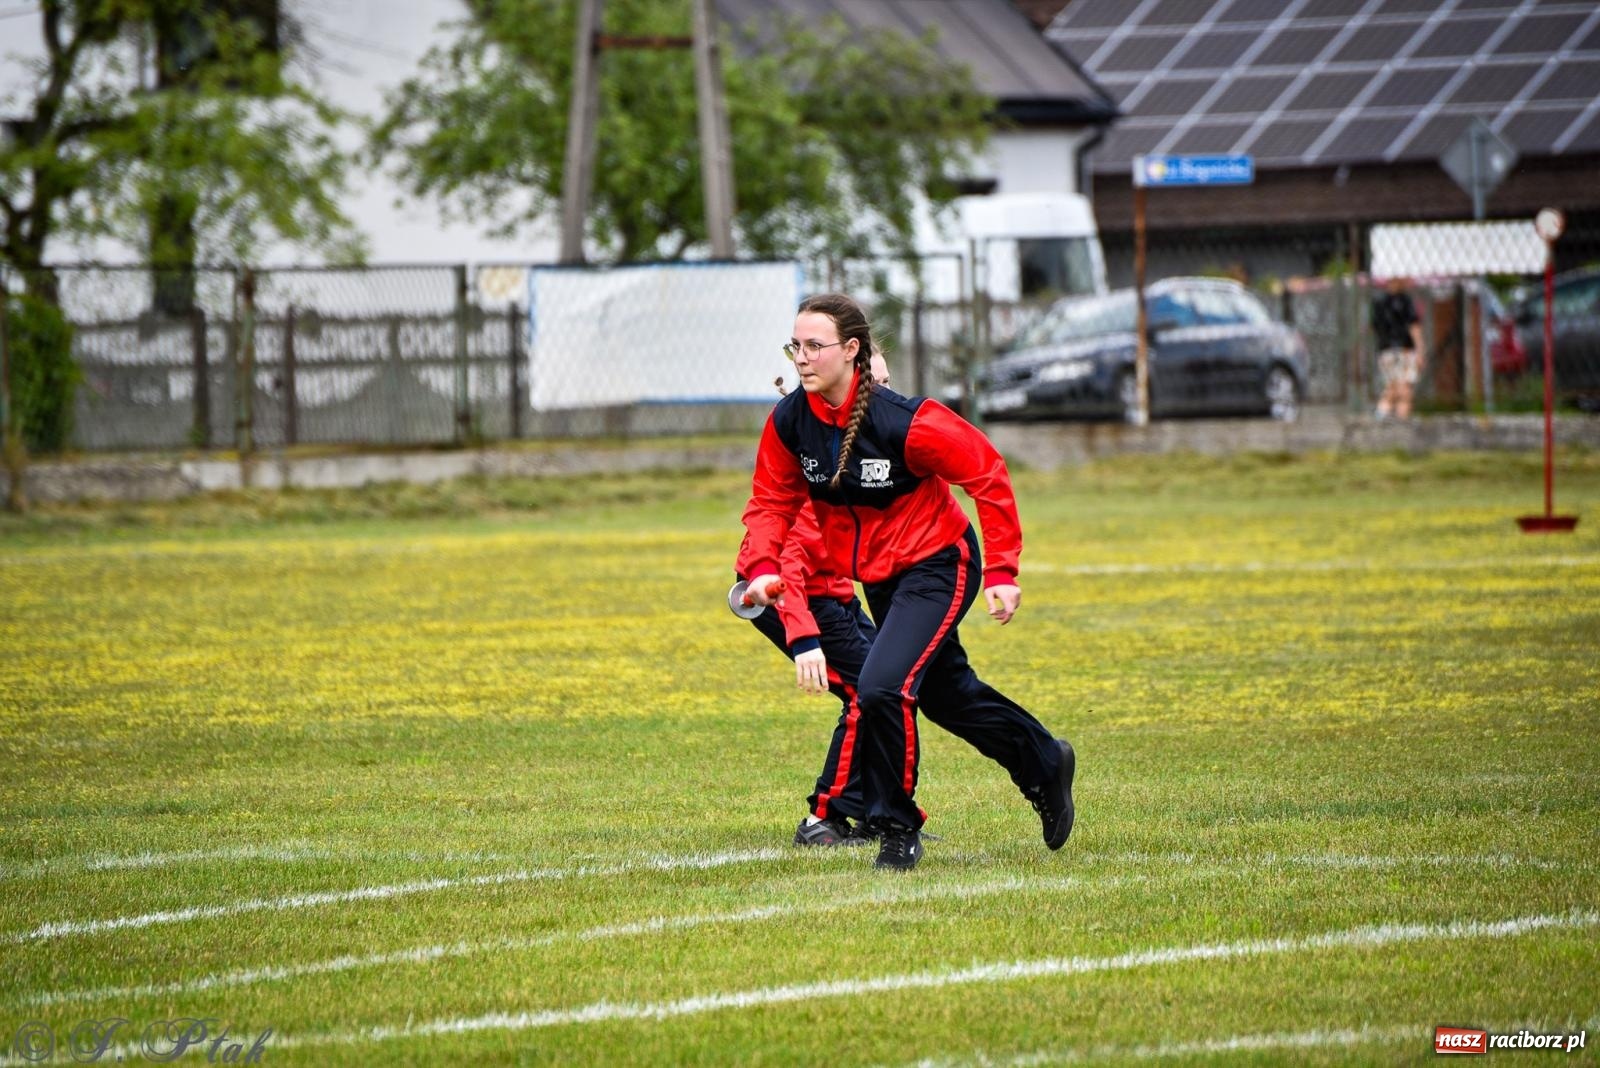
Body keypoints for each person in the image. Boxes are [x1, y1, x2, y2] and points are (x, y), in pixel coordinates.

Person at [737, 293, 1076, 871]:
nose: (801, 358)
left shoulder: (905, 421)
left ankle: (895, 826)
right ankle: (1044, 762)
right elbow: (771, 500)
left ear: (852, 352)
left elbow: (987, 473)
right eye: (795, 345)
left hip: (941, 565)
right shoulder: (792, 420)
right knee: (947, 696)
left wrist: (1001, 571)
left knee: (880, 687)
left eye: (814, 346)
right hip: (883, 579)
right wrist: (764, 568)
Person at [1372, 277, 1425, 419]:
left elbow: (1375, 328)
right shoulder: (1407, 302)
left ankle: (1380, 419)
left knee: (1391, 389)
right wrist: (1420, 351)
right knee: (1404, 392)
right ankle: (1400, 427)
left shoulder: (1378, 302)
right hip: (1404, 349)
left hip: (1386, 350)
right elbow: (1414, 327)